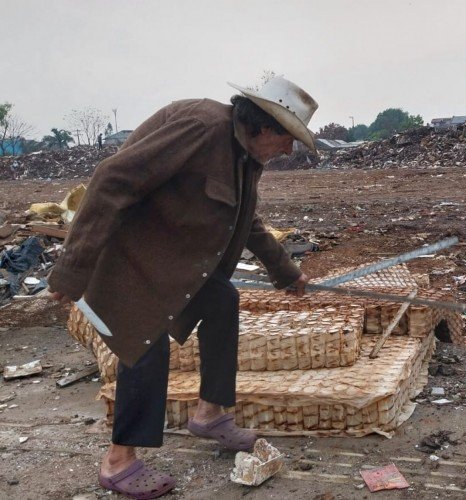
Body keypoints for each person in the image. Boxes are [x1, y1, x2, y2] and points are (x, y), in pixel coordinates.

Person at [47, 75, 318, 499]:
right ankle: (119, 461)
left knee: (223, 298)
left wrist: (286, 272)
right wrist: (71, 267)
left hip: (170, 262)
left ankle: (210, 414)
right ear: (266, 125)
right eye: (288, 139)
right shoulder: (202, 126)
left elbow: (248, 222)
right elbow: (112, 179)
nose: (288, 150)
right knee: (145, 342)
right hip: (127, 256)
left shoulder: (246, 157)